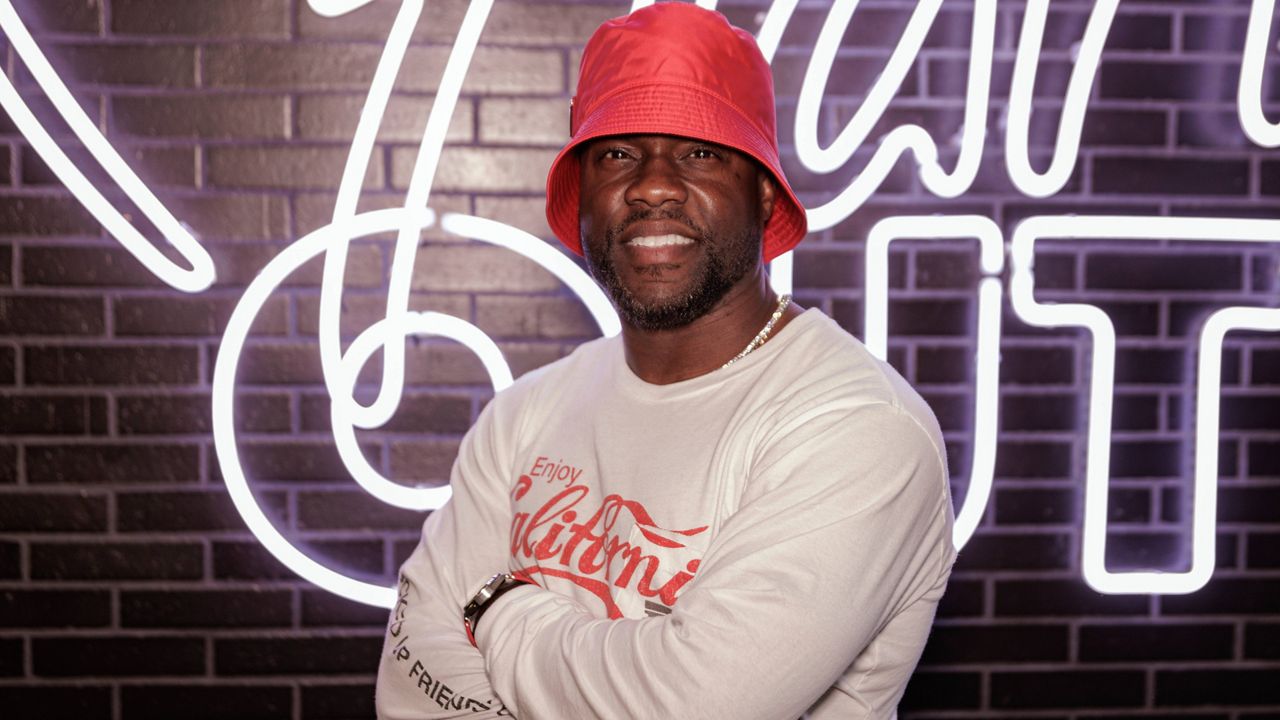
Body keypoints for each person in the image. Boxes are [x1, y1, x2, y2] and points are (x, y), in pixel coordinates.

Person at [376, 4, 954, 719]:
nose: (653, 185)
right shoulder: (525, 413)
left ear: (763, 191)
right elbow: (414, 687)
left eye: (700, 152)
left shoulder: (858, 428)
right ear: (582, 194)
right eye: (618, 153)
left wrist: (498, 609)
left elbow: (697, 703)